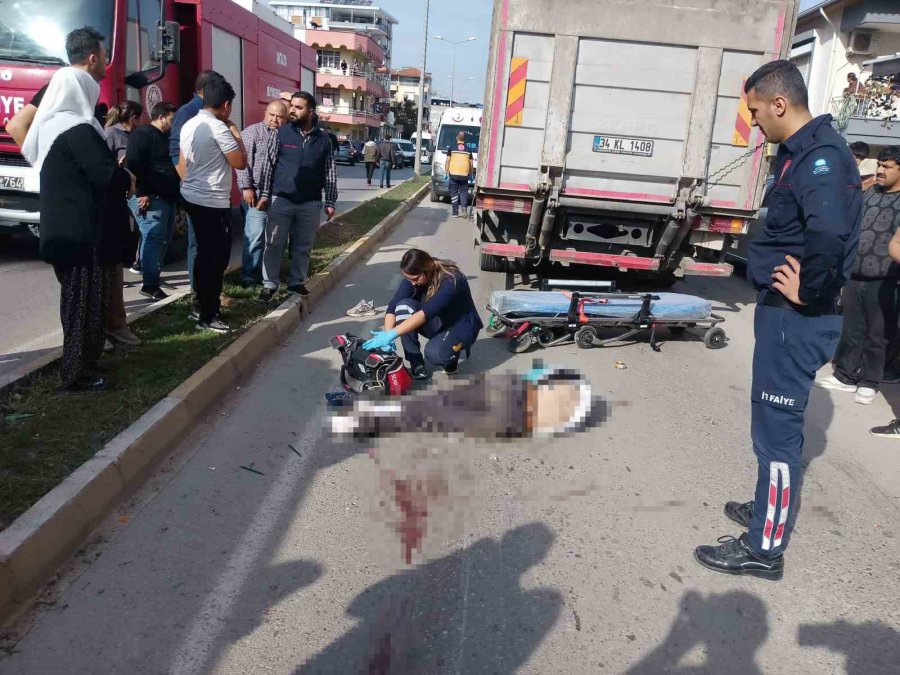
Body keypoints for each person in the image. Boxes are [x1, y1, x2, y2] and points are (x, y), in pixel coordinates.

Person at [693, 61, 862, 580]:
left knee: (777, 438)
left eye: (756, 111)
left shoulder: (821, 159)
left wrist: (808, 292)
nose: (754, 122)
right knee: (770, 429)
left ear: (780, 103)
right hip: (784, 314)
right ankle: (767, 508)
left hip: (798, 317)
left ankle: (764, 549)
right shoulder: (799, 155)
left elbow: (829, 237)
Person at [23, 62, 135, 391]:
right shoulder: (78, 129)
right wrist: (125, 177)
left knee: (79, 302)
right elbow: (106, 176)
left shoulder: (51, 126)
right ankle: (76, 375)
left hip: (63, 229)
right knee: (81, 306)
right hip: (80, 234)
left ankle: (86, 364)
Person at [814, 146, 900, 406]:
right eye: (880, 165)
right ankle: (846, 375)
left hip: (886, 278)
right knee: (851, 328)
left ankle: (870, 382)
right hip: (855, 272)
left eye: (887, 167)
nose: (880, 170)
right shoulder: (871, 192)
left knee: (878, 333)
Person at [177, 77, 247, 333]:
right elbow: (240, 162)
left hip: (192, 196)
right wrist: (236, 134)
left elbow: (183, 162)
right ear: (226, 105)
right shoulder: (219, 128)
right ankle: (209, 315)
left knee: (201, 256)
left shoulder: (189, 124)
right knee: (215, 261)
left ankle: (199, 306)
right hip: (212, 202)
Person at [257, 91, 337, 301]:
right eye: (292, 106)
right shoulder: (281, 134)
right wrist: (264, 194)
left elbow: (329, 171)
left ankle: (296, 282)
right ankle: (269, 284)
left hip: (309, 203)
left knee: (303, 246)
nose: (292, 110)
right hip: (280, 199)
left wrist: (330, 201)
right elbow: (268, 165)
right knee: (274, 243)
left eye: (298, 107)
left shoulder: (324, 140)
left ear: (310, 111)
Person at [364, 248, 484, 379]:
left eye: (415, 279)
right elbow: (393, 306)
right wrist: (387, 333)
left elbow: (426, 313)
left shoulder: (452, 280)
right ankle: (416, 362)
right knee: (403, 306)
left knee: (435, 354)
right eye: (408, 278)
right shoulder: (414, 278)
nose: (412, 283)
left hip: (460, 327)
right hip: (438, 322)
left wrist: (393, 333)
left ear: (426, 270)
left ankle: (450, 357)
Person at [169, 70, 227, 294]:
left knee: (214, 247)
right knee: (199, 245)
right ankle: (198, 292)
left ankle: (211, 290)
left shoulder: (213, 114)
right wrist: (190, 181)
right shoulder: (189, 112)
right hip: (199, 194)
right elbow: (176, 150)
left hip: (214, 195)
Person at [126, 102, 180, 301]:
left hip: (166, 197)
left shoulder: (167, 137)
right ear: (162, 117)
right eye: (172, 119)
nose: (174, 124)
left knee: (163, 239)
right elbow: (133, 163)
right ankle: (150, 284)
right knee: (153, 237)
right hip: (150, 198)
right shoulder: (143, 134)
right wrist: (141, 192)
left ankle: (154, 278)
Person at [103, 100, 144, 344]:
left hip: (129, 193)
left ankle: (116, 323)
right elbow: (105, 167)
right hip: (116, 196)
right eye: (138, 117)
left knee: (134, 233)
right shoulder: (110, 134)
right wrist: (121, 173)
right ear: (130, 116)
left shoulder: (135, 135)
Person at [236, 100, 288, 288]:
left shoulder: (286, 136)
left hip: (279, 196)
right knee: (255, 235)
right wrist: (246, 187)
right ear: (265, 113)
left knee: (275, 238)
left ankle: (270, 274)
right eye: (271, 115)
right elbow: (242, 163)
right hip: (255, 194)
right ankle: (249, 275)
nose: (275, 120)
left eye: (280, 117)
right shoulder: (252, 132)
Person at [445, 131, 474, 218]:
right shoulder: (469, 150)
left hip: (453, 175)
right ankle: (464, 208)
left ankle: (455, 212)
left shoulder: (451, 148)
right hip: (464, 175)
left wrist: (446, 172)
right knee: (464, 193)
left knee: (454, 193)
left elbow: (447, 161)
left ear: (457, 138)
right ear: (464, 139)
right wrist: (471, 173)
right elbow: (471, 164)